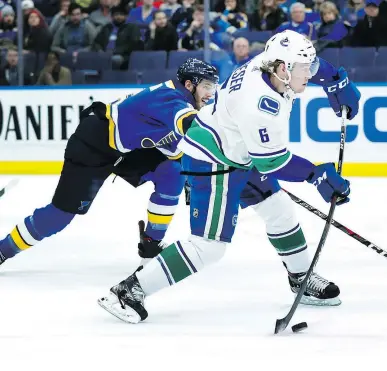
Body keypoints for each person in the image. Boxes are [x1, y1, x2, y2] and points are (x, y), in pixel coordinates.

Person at [97, 30, 361, 324]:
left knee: (279, 210)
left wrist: (335, 78)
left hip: (238, 151)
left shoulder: (269, 62)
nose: (311, 74)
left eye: (312, 68)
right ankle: (129, 291)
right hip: (213, 163)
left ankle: (301, 278)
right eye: (306, 70)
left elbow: (307, 62)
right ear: (284, 69)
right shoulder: (260, 105)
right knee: (209, 246)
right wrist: (316, 175)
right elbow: (273, 162)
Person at [0, 58, 218, 267]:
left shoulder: (185, 100)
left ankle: (151, 245)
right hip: (93, 145)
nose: (211, 93)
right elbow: (190, 126)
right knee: (60, 216)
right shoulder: (172, 98)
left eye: (213, 87)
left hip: (127, 149)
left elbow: (175, 148)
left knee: (172, 172)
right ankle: (3, 250)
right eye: (207, 86)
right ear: (189, 84)